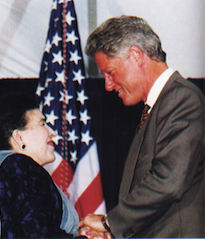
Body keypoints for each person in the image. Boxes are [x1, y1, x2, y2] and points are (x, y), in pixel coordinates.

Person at [79, 15, 205, 238]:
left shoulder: (182, 100)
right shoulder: (159, 106)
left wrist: (110, 223)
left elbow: (168, 182)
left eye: (110, 72)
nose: (108, 86)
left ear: (136, 56)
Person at [0, 92, 81, 239]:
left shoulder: (4, 169)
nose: (52, 133)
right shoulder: (17, 166)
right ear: (18, 137)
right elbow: (40, 235)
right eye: (43, 123)